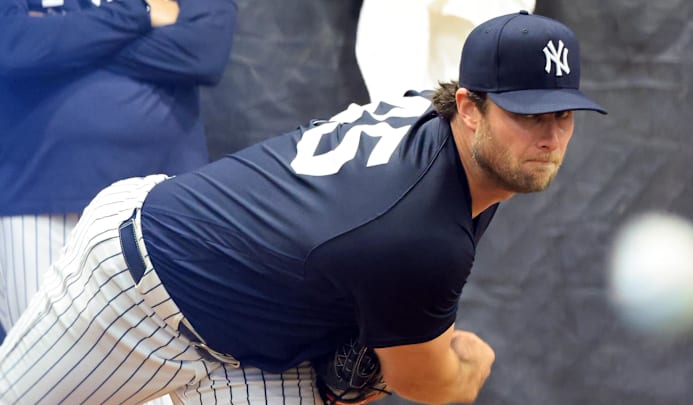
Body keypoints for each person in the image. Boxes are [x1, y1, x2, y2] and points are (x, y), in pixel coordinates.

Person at [0, 11, 606, 405]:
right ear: (470, 106)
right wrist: (470, 363)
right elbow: (428, 381)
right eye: (526, 113)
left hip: (256, 352)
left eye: (561, 113)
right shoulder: (422, 231)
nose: (549, 135)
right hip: (136, 286)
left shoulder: (442, 121)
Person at [0, 0, 237, 343]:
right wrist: (137, 14)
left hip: (161, 200)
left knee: (164, 376)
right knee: (40, 373)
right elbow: (12, 45)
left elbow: (204, 50)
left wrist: (63, 43)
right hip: (37, 193)